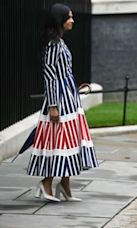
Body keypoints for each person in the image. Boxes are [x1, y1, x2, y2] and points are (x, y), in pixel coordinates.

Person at [26, 3, 98, 202]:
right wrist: (53, 106)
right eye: (69, 17)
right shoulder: (52, 45)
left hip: (69, 98)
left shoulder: (60, 42)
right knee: (59, 142)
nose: (72, 20)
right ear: (59, 20)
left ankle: (65, 185)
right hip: (59, 101)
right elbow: (50, 76)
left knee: (71, 141)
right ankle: (46, 183)